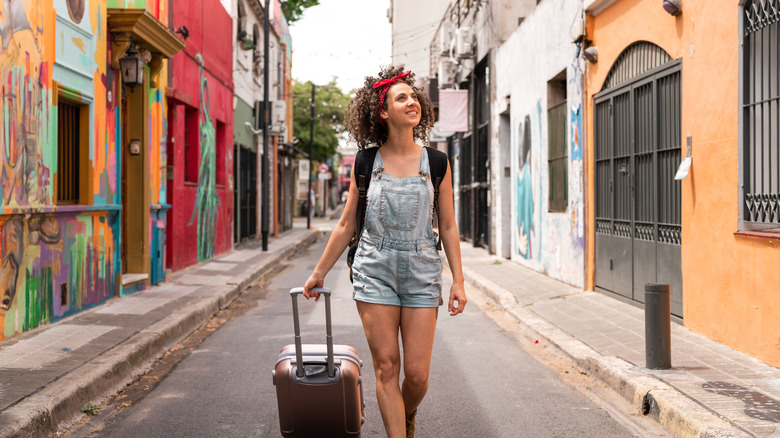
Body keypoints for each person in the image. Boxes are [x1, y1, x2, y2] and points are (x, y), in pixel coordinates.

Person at [303, 66, 467, 438]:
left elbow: (449, 225)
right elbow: (347, 225)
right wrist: (318, 272)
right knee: (387, 368)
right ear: (382, 111)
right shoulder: (365, 163)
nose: (412, 102)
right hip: (373, 268)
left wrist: (458, 279)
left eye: (414, 96)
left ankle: (403, 414)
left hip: (422, 269)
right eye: (401, 98)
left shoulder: (437, 163)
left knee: (418, 375)